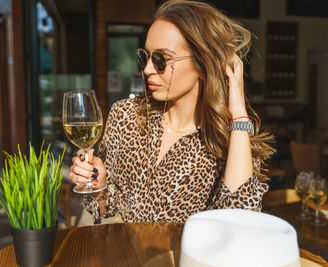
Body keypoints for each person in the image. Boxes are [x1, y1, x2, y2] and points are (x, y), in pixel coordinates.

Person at [70, 0, 274, 224]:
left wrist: (239, 115)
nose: (147, 69)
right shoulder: (124, 116)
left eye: (161, 60)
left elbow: (240, 220)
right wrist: (98, 187)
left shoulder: (230, 140)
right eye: (144, 56)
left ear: (203, 65)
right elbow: (106, 208)